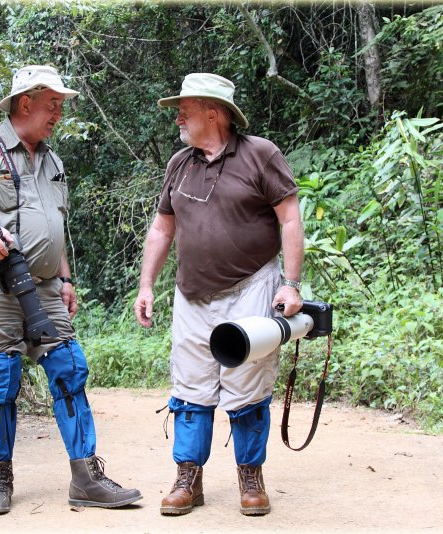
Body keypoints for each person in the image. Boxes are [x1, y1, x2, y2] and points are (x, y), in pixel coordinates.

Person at [0, 65, 142, 515]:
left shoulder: (53, 161)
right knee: (0, 377)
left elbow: (52, 223)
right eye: (53, 104)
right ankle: (0, 475)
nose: (59, 112)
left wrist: (63, 277)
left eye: (60, 104)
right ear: (26, 103)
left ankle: (87, 477)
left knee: (69, 368)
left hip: (43, 286)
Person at [134, 73, 304, 516]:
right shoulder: (179, 163)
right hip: (192, 294)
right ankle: (188, 477)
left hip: (250, 287)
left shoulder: (260, 155)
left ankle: (251, 475)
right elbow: (162, 228)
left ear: (213, 113)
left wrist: (291, 283)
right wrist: (147, 284)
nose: (178, 119)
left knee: (247, 386)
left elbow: (289, 219)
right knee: (190, 387)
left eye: (184, 111)